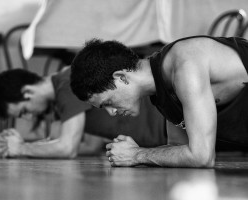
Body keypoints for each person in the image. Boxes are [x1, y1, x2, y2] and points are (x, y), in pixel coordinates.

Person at [70, 36, 248, 168]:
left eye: (108, 102)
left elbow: (201, 157)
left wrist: (137, 154)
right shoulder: (161, 90)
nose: (112, 112)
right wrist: (139, 154)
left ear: (121, 77)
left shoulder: (185, 63)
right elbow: (179, 150)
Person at [0, 67, 166, 158]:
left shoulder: (68, 83)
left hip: (168, 123)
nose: (29, 117)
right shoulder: (60, 103)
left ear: (27, 92)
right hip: (162, 142)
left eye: (24, 111)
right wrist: (16, 146)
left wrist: (21, 148)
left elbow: (67, 148)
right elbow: (91, 145)